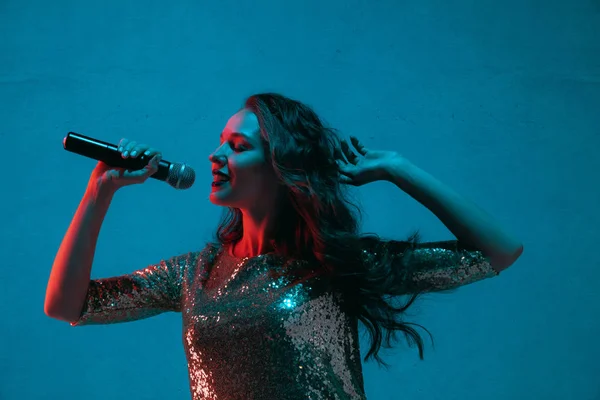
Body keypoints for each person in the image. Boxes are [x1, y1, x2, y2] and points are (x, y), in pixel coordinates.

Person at [44, 93, 524, 400]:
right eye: (220, 143)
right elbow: (68, 305)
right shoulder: (196, 273)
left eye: (236, 146)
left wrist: (399, 167)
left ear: (281, 165)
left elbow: (498, 252)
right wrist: (98, 191)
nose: (214, 156)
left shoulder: (335, 264)